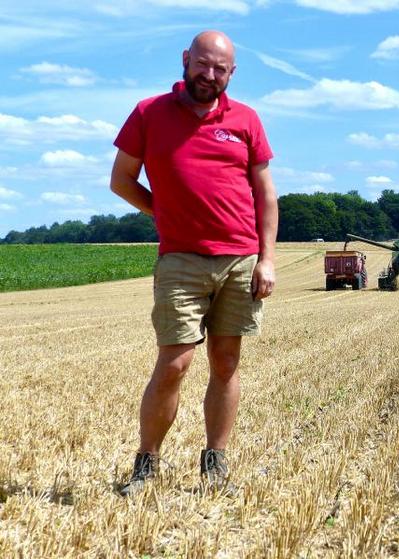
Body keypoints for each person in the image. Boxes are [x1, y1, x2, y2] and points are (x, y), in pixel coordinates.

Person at [110, 30, 278, 497]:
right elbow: (122, 180)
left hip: (240, 259)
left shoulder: (246, 119)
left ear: (232, 72)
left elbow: (265, 194)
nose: (209, 75)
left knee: (225, 362)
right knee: (174, 364)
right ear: (186, 59)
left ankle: (215, 460)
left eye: (219, 69)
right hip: (180, 260)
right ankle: (146, 464)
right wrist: (161, 211)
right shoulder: (149, 112)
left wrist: (267, 259)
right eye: (202, 64)